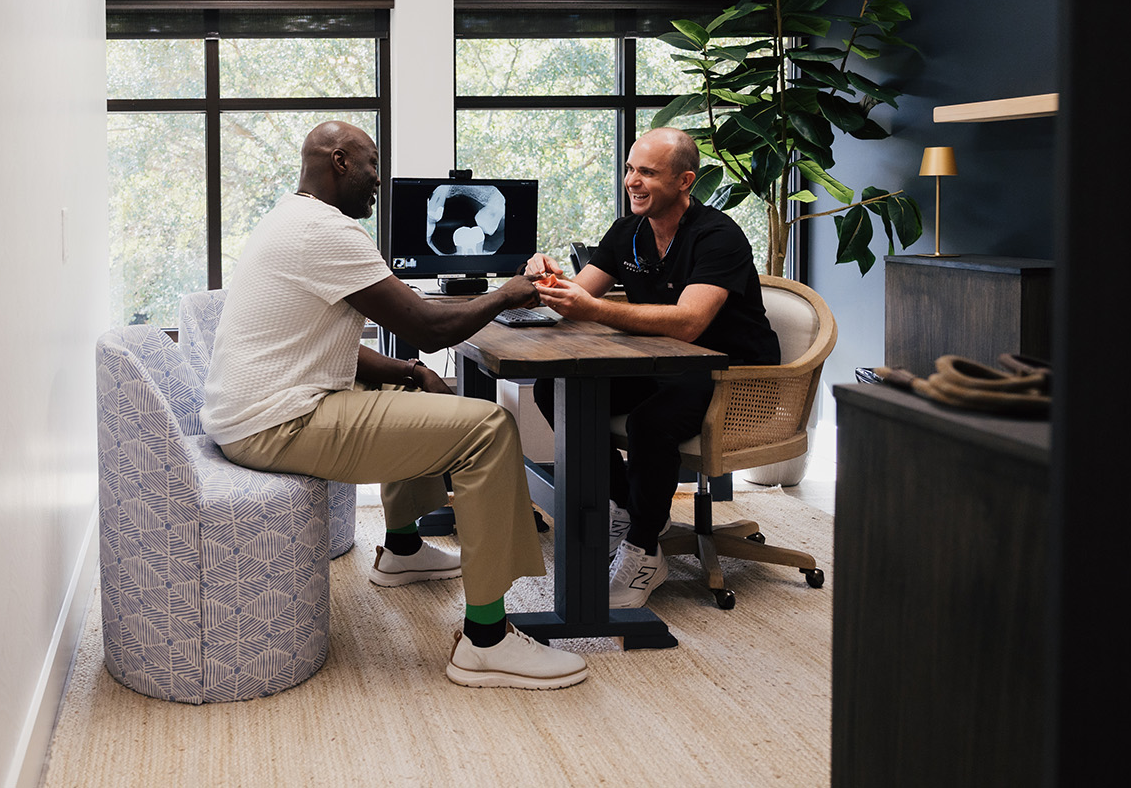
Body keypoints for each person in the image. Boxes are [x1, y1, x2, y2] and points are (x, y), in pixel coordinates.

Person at [201, 120, 587, 690]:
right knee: (489, 426)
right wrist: (511, 289)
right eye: (372, 165)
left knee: (405, 385)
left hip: (253, 411)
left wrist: (410, 371)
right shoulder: (327, 233)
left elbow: (326, 342)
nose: (378, 179)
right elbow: (429, 326)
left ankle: (404, 548)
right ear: (339, 161)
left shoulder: (289, 218)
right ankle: (487, 641)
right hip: (278, 424)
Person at [528, 127, 779, 610]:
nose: (631, 181)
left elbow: (688, 324)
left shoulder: (718, 235)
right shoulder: (628, 233)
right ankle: (631, 511)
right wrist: (546, 278)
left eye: (646, 172)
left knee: (651, 423)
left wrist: (592, 309)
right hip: (665, 369)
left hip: (736, 377)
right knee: (552, 388)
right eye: (629, 169)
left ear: (686, 180)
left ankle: (644, 551)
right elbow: (575, 298)